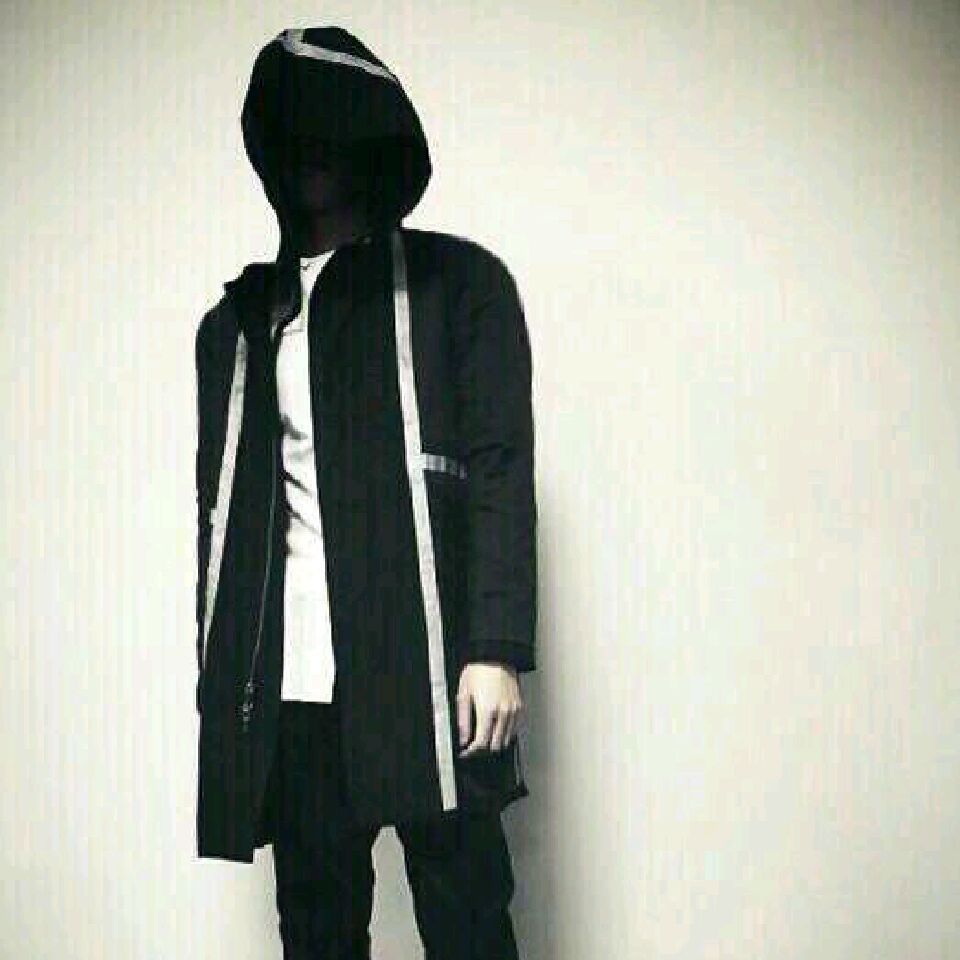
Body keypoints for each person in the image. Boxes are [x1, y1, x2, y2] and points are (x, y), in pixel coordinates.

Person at [193, 25, 537, 959]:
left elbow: (500, 467)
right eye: (294, 133)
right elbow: (218, 518)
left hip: (428, 665)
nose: (314, 154)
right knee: (316, 930)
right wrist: (219, 678)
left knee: (468, 919)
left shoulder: (458, 285)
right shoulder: (238, 323)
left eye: (334, 129)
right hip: (295, 680)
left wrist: (495, 648)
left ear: (373, 140)